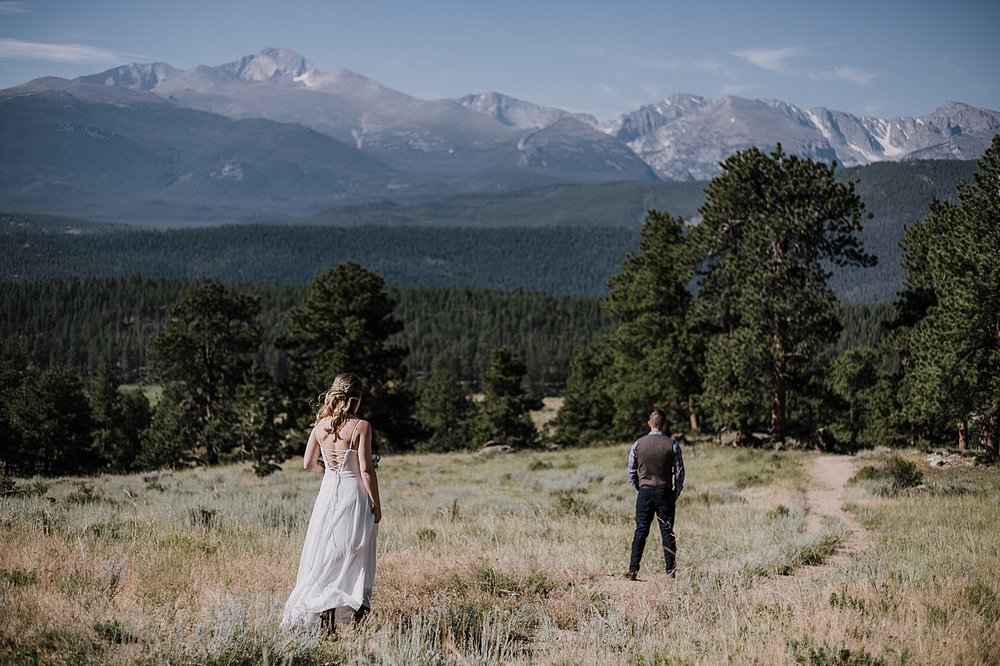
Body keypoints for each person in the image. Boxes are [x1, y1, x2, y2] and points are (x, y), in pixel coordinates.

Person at [282, 373, 381, 631]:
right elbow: (367, 471)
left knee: (326, 552)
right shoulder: (361, 426)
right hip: (353, 493)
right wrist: (377, 506)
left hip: (328, 493)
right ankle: (352, 609)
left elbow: (308, 464)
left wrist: (330, 472)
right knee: (354, 550)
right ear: (356, 399)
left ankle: (325, 612)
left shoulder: (320, 426)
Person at [626, 409, 684, 579]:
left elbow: (631, 472)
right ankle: (670, 571)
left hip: (644, 491)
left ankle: (633, 569)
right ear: (665, 424)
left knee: (641, 531)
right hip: (665, 491)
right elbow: (679, 473)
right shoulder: (672, 445)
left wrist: (640, 488)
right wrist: (675, 492)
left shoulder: (637, 444)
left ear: (649, 423)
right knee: (667, 531)